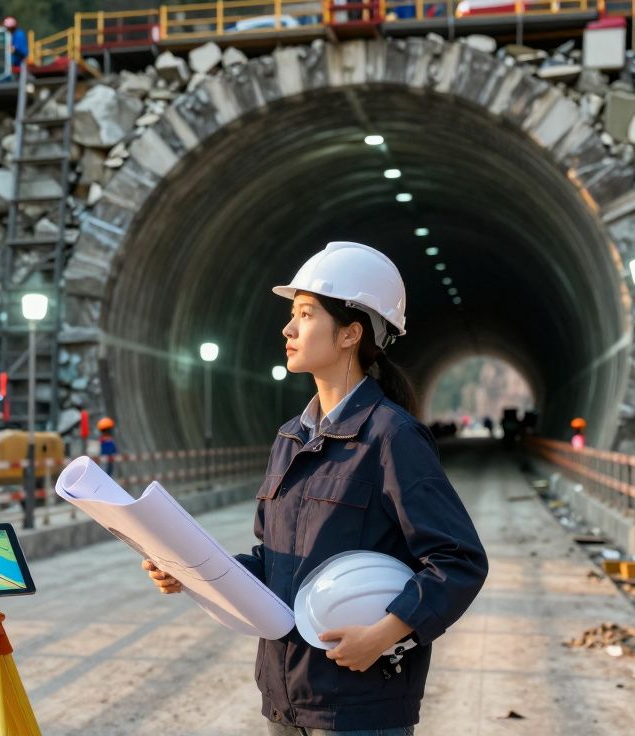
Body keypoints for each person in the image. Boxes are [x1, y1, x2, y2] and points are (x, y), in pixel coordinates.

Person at [143, 241, 488, 735]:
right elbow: (272, 564)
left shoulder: (391, 437)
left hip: (360, 702)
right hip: (286, 696)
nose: (287, 329)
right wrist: (188, 572)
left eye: (305, 314)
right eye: (291, 314)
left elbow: (459, 561)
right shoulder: (291, 437)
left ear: (350, 333)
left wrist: (384, 635)